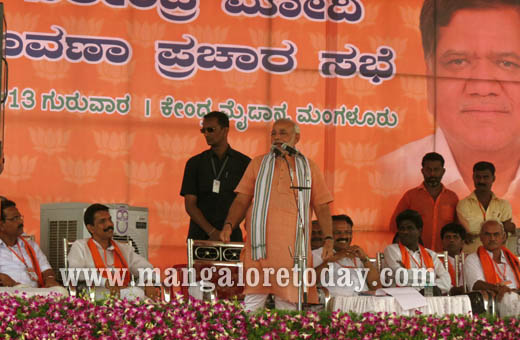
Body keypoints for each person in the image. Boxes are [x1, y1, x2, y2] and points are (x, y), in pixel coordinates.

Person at [378, 0, 520, 206]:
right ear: (429, 75)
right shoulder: (387, 173)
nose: (482, 88)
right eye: (458, 62)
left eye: (507, 63)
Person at [220, 118, 334, 311]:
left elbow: (322, 206)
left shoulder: (309, 167)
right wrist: (229, 225)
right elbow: (241, 200)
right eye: (273, 133)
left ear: (296, 137)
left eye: (283, 133)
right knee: (253, 302)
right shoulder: (258, 163)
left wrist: (328, 238)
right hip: (259, 246)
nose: (276, 137)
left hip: (292, 249)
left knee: (287, 304)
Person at [181, 111, 251, 242]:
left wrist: (227, 229)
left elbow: (245, 203)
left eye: (211, 129)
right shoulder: (194, 163)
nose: (206, 134)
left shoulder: (244, 163)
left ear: (225, 130)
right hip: (200, 236)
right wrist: (212, 231)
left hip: (231, 237)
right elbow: (190, 204)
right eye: (203, 130)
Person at [67, 203, 160, 300]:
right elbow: (75, 272)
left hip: (123, 293)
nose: (109, 224)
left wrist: (148, 282)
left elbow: (146, 268)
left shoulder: (123, 248)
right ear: (91, 228)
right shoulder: (81, 246)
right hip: (94, 296)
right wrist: (105, 282)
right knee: (138, 294)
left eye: (110, 219)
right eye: (102, 221)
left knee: (144, 296)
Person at [389, 152, 458, 251]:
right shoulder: (410, 196)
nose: (432, 174)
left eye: (436, 170)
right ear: (422, 171)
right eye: (428, 170)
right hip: (416, 257)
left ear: (443, 171)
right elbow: (394, 226)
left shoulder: (452, 197)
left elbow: (457, 229)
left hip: (444, 257)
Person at [383, 209, 451, 295]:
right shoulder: (392, 250)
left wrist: (426, 290)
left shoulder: (430, 254)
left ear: (419, 231)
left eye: (409, 228)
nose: (405, 232)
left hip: (428, 299)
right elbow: (402, 277)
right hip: (400, 299)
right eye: (402, 228)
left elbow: (446, 282)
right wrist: (431, 279)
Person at [313, 215, 381, 296]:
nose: (343, 236)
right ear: (328, 235)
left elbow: (376, 286)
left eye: (347, 232)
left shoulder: (358, 255)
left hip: (364, 304)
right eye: (338, 233)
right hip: (335, 306)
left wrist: (364, 259)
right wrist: (333, 259)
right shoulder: (318, 254)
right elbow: (310, 281)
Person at [0, 199, 61, 289]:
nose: (21, 222)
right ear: (1, 225)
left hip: (35, 296)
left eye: (20, 217)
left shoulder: (30, 245)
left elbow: (46, 268)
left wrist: (50, 279)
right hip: (7, 296)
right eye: (14, 219)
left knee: (61, 291)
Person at [463, 220, 520, 316]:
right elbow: (476, 284)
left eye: (496, 234)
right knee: (508, 297)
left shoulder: (512, 259)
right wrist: (497, 288)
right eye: (487, 234)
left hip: (517, 296)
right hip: (494, 302)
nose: (492, 238)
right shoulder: (472, 259)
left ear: (504, 237)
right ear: (481, 237)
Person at [457, 162, 515, 253]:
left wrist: (509, 227)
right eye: (478, 177)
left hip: (497, 258)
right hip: (472, 256)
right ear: (473, 178)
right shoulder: (463, 205)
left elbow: (507, 230)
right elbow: (464, 234)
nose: (481, 181)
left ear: (493, 178)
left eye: (486, 177)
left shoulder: (503, 205)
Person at [440, 222, 466, 295]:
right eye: (448, 237)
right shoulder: (436, 260)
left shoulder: (469, 260)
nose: (451, 240)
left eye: (455, 237)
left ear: (462, 242)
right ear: (442, 241)